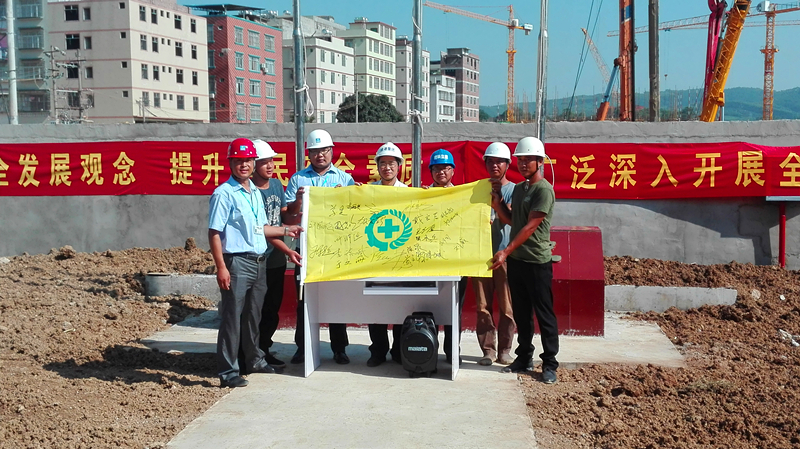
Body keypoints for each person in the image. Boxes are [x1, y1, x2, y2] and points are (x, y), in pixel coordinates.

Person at [208, 138, 302, 388]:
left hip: (259, 262)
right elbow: (214, 232)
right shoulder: (224, 194)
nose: (244, 165)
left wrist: (286, 230)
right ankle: (228, 371)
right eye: (238, 161)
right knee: (232, 318)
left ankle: (254, 360)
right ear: (230, 163)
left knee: (253, 316)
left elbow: (261, 228)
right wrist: (221, 267)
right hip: (237, 262)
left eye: (248, 160)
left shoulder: (254, 193)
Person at [489, 136, 559, 384]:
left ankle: (549, 363)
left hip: (537, 261)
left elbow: (530, 227)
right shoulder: (520, 189)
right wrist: (498, 205)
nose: (523, 163)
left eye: (528, 159)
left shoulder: (544, 190)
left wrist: (505, 251)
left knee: (544, 313)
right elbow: (513, 220)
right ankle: (524, 357)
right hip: (518, 261)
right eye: (520, 159)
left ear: (540, 162)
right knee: (521, 313)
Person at [285, 129, 357, 365]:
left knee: (336, 299)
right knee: (304, 299)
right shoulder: (298, 180)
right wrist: (298, 201)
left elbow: (354, 213)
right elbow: (288, 216)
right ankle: (302, 347)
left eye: (324, 150)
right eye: (315, 151)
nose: (320, 155)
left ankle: (339, 348)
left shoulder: (344, 179)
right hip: (306, 249)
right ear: (309, 153)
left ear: (332, 151)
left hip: (335, 250)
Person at [251, 139, 302, 369]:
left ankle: (264, 349)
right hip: (258, 258)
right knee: (256, 310)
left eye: (272, 161)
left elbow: (285, 216)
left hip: (276, 259)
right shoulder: (250, 191)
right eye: (264, 162)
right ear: (253, 164)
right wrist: (288, 248)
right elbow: (262, 230)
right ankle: (252, 353)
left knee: (271, 308)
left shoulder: (276, 185)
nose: (270, 165)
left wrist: (297, 202)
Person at [473, 142, 516, 366]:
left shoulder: (515, 190)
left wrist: (499, 205)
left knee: (507, 307)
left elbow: (515, 220)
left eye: (499, 162)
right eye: (490, 161)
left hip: (506, 256)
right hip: (480, 257)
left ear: (508, 164)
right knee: (483, 307)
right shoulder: (477, 190)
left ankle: (505, 350)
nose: (495, 166)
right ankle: (487, 350)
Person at [365, 142, 407, 367]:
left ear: (399, 166)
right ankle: (378, 350)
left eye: (391, 163)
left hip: (399, 259)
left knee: (401, 306)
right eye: (383, 163)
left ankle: (399, 350)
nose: (387, 168)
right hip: (375, 258)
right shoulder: (368, 192)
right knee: (376, 305)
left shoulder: (408, 193)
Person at [427, 148, 468, 365]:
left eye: (445, 168)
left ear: (453, 170)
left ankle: (452, 351)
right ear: (431, 171)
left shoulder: (464, 196)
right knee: (429, 307)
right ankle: (429, 349)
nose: (441, 172)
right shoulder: (423, 196)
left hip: (457, 261)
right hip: (429, 262)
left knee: (454, 308)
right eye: (436, 168)